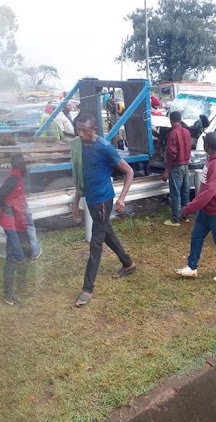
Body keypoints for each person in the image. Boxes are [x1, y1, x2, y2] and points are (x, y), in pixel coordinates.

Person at [71, 113, 136, 307]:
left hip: (102, 202)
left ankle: (87, 289)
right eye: (78, 130)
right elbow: (80, 178)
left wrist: (122, 198)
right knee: (106, 232)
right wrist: (76, 205)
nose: (80, 134)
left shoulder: (104, 147)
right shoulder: (79, 146)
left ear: (95, 131)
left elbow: (129, 172)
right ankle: (128, 264)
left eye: (84, 131)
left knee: (95, 244)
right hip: (91, 199)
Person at [174, 132, 216, 283]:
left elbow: (208, 192)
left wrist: (189, 208)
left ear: (207, 146)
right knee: (197, 236)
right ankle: (191, 267)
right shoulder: (212, 160)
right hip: (207, 210)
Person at [0, 154, 32, 306]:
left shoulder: (19, 177)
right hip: (11, 225)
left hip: (19, 224)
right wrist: (8, 208)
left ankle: (20, 288)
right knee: (16, 257)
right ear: (21, 166)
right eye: (26, 163)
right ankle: (8, 296)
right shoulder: (13, 178)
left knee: (25, 253)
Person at [162, 111, 192, 226]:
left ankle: (175, 219)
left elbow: (171, 154)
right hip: (186, 166)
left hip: (176, 166)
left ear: (171, 120)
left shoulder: (173, 134)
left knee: (176, 192)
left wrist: (166, 171)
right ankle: (185, 216)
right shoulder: (187, 132)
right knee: (185, 191)